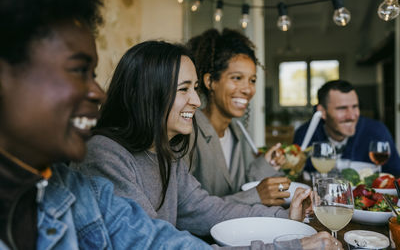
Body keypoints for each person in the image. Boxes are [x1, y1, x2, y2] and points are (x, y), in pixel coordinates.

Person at [0, 0, 290, 249]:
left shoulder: (75, 187)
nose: (98, 93)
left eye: (195, 88)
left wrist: (286, 223)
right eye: (78, 71)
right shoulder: (103, 157)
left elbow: (175, 231)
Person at [72, 40, 342, 250]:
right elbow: (159, 245)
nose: (197, 101)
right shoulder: (104, 155)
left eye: (195, 88)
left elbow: (209, 210)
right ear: (146, 93)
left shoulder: (167, 152)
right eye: (183, 89)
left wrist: (284, 217)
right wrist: (289, 246)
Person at [185, 28, 290, 206]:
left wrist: (266, 164)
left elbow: (236, 188)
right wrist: (256, 196)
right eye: (237, 78)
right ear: (210, 81)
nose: (248, 89)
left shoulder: (235, 132)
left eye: (252, 80)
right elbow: (189, 208)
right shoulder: (189, 133)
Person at [293, 80, 400, 175]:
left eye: (355, 107)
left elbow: (396, 176)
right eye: (342, 108)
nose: (351, 116)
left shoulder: (378, 132)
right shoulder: (304, 134)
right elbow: (294, 175)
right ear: (322, 112)